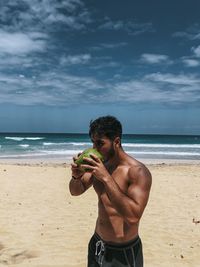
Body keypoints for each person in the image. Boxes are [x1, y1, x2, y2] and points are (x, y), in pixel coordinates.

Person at [69, 115, 152, 267]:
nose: (94, 149)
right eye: (93, 143)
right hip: (97, 244)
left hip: (123, 252)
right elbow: (75, 191)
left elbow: (133, 217)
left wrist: (106, 178)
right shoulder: (99, 165)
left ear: (116, 142)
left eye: (100, 143)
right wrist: (76, 177)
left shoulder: (137, 172)